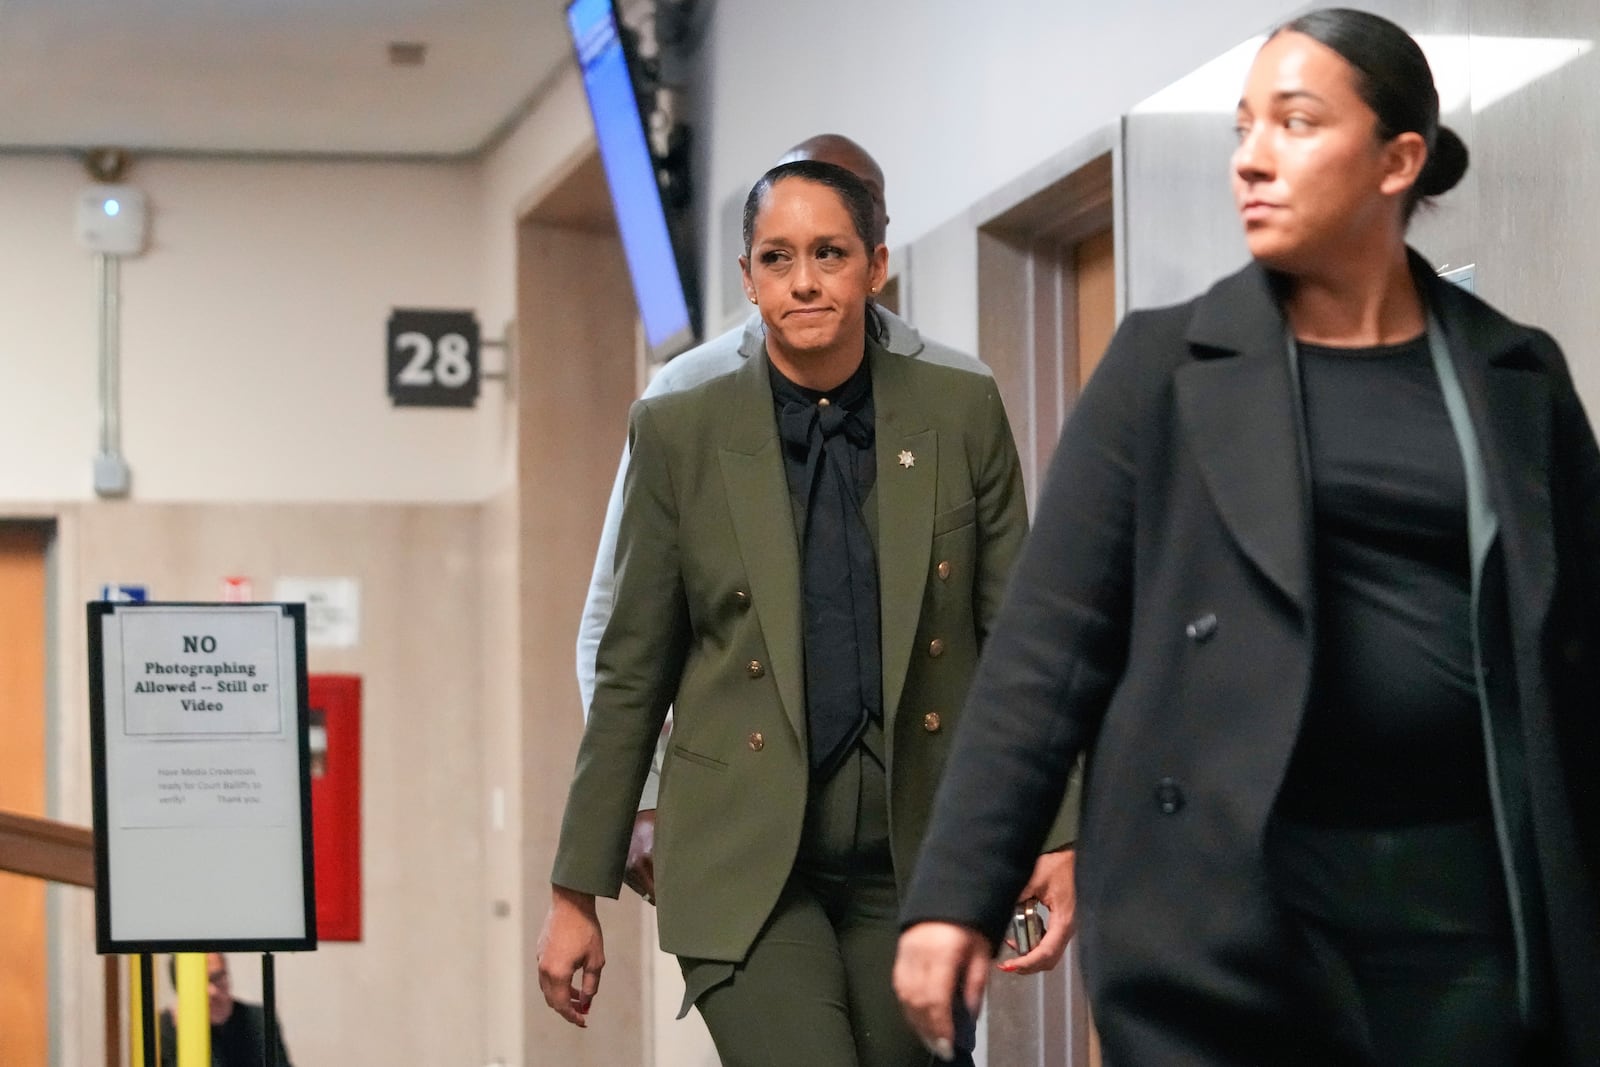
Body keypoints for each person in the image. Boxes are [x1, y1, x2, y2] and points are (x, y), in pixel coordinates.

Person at [895, 8, 1600, 1066]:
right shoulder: (1162, 369)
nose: (1252, 159)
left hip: (1469, 914)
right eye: (1241, 128)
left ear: (1395, 161)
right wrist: (958, 890)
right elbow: (1047, 648)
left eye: (1295, 122)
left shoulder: (1512, 376)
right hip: (1238, 914)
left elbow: (1580, 642)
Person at [539, 160, 1077, 1066]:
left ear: (876, 264)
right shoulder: (679, 430)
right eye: (776, 257)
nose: (803, 280)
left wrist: (1058, 830)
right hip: (739, 855)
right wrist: (573, 892)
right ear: (747, 278)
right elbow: (632, 667)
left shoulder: (960, 409)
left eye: (829, 253)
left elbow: (1020, 644)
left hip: (916, 847)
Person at [159, 953, 293, 1067]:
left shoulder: (258, 1019)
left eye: (217, 978)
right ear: (179, 989)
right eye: (198, 982)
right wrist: (189, 1034)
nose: (212, 991)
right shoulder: (163, 1029)